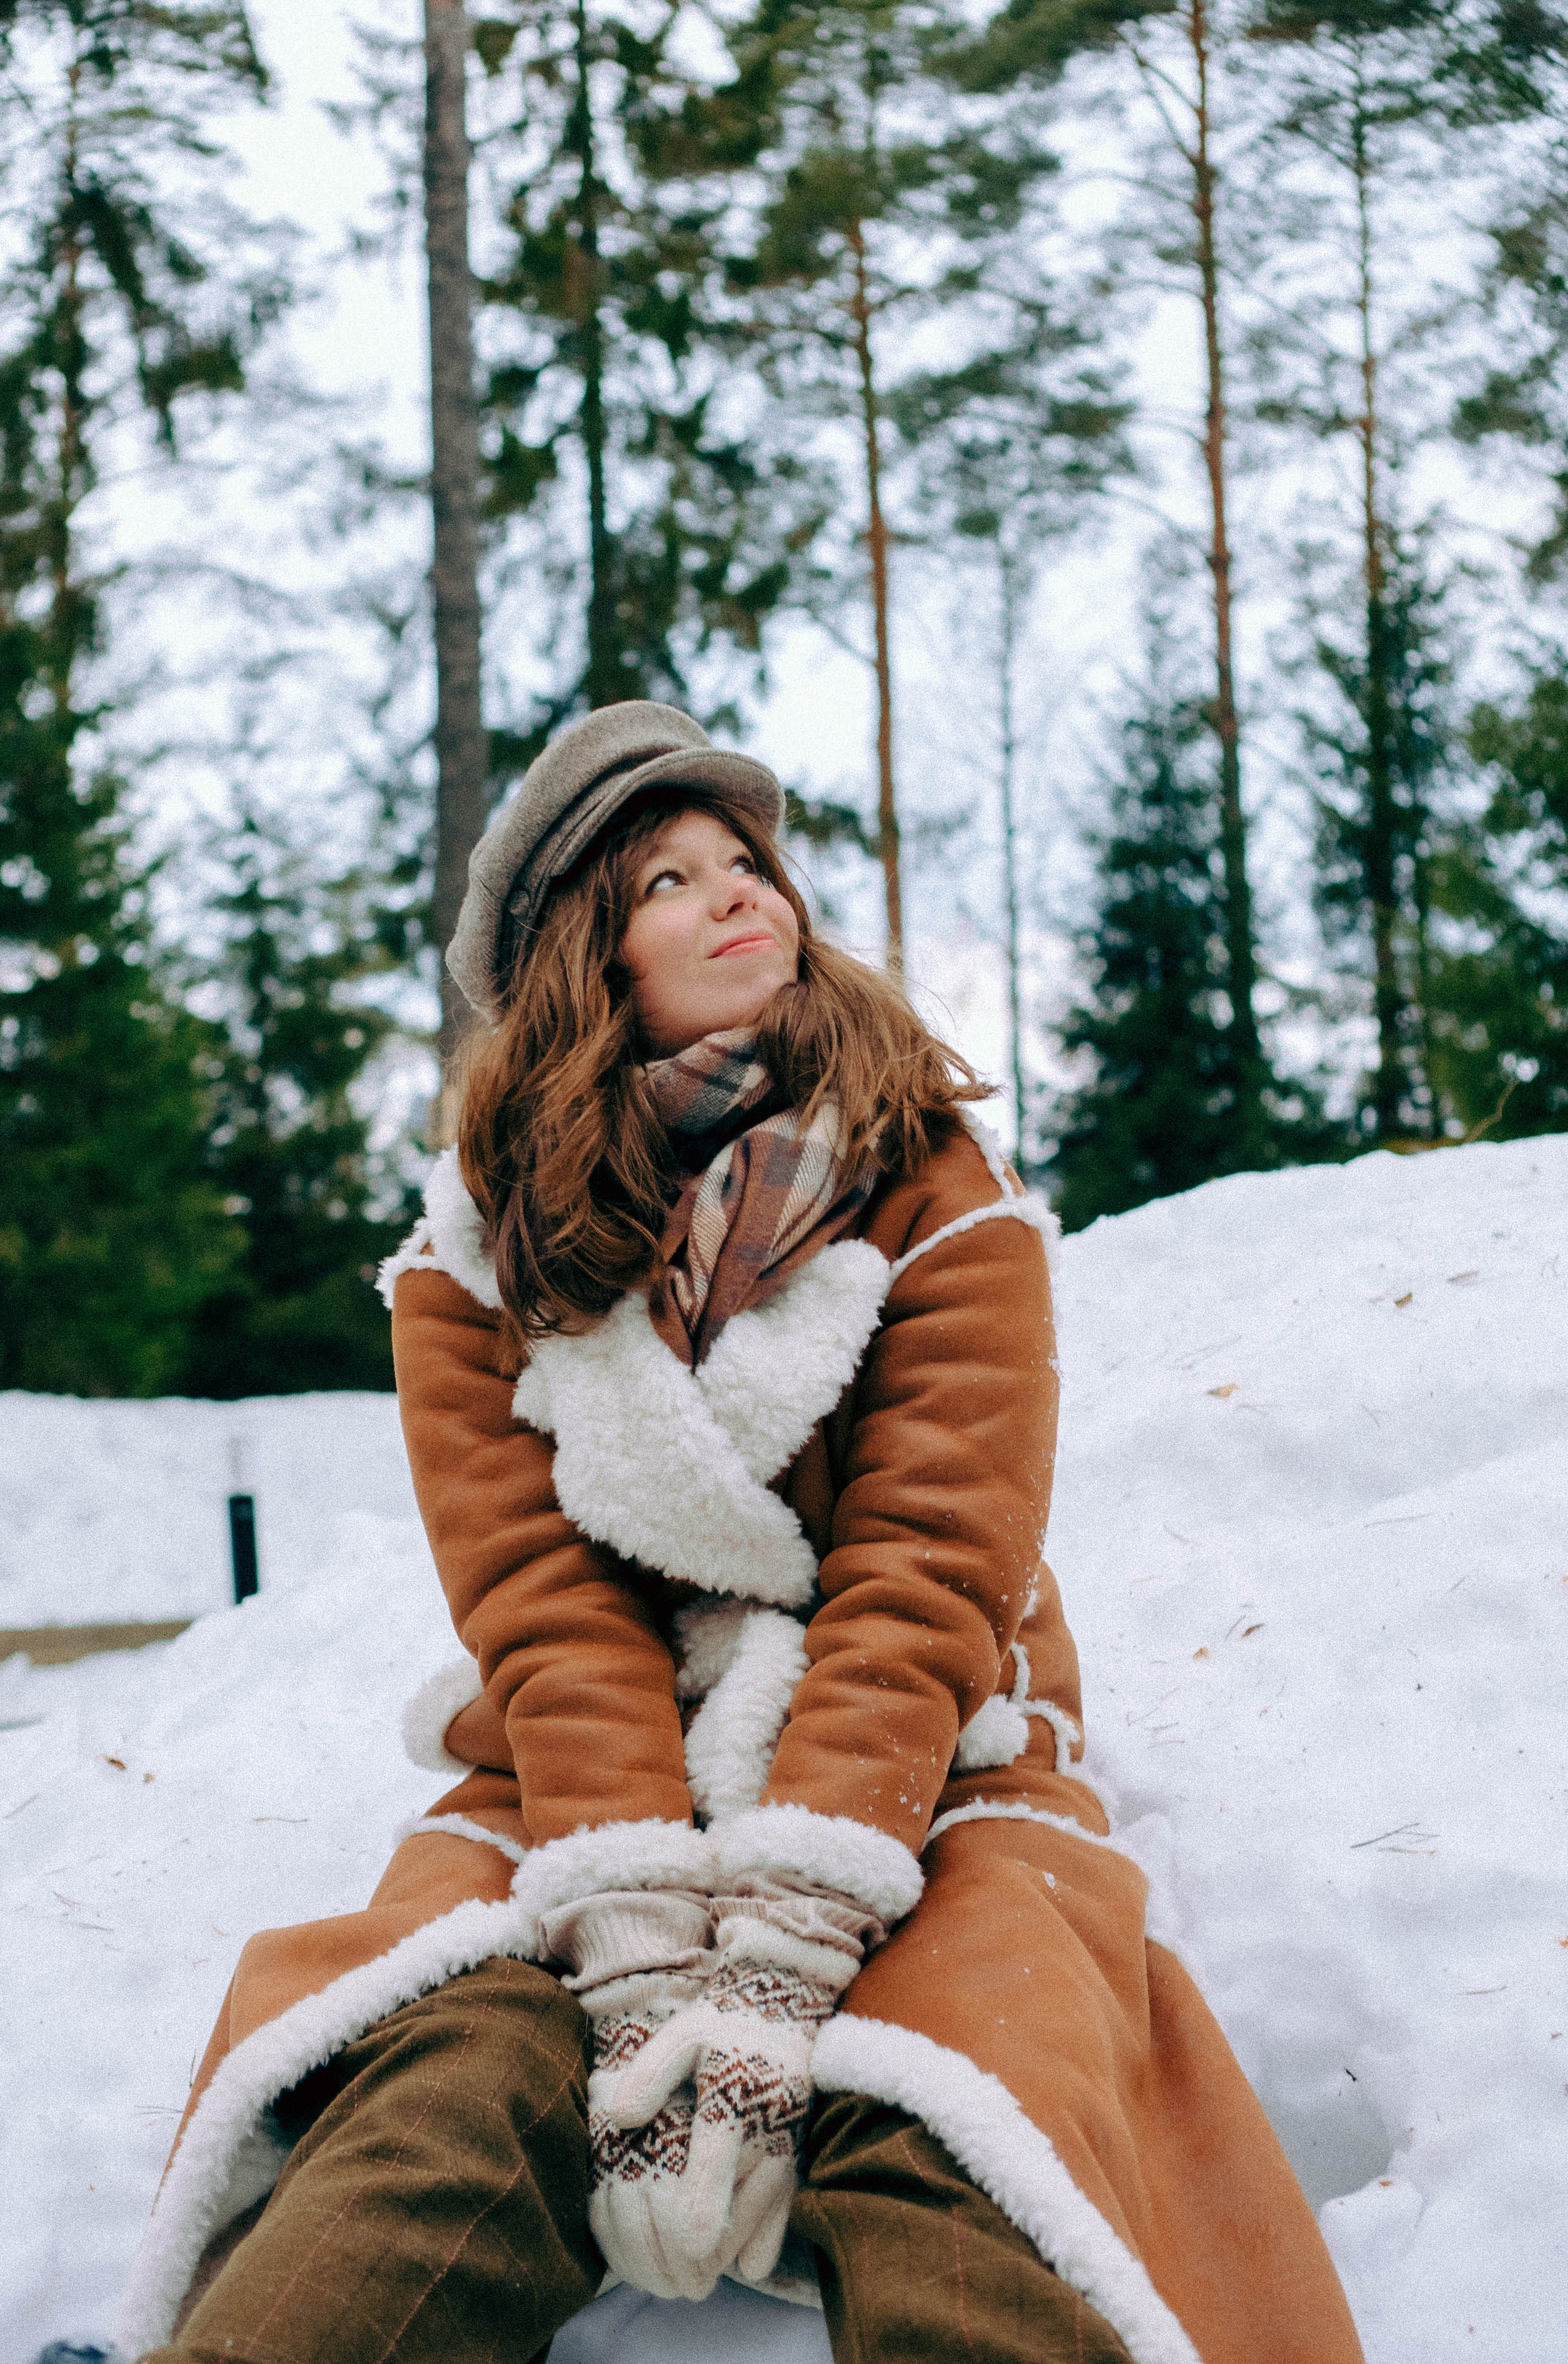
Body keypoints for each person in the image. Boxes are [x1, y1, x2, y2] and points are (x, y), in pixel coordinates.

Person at [90, 704, 1364, 2364]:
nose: (738, 892)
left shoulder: (933, 1186)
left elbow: (930, 1573)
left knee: (968, 2102)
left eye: (746, 861)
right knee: (447, 2077)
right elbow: (543, 1609)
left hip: (917, 1750)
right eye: (668, 881)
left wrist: (785, 1947)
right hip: (594, 1772)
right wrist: (631, 1952)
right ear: (585, 963)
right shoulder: (472, 1263)